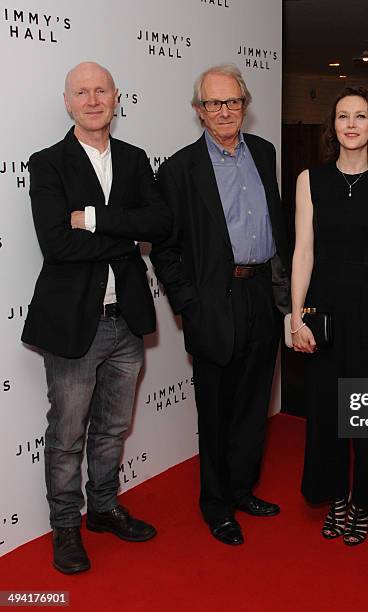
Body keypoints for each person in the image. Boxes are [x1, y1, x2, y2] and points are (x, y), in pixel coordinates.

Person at [22, 62, 171, 574]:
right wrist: (126, 237)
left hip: (125, 320)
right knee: (67, 434)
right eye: (81, 92)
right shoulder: (48, 163)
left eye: (100, 90)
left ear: (115, 97)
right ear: (68, 102)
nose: (92, 99)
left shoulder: (134, 159)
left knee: (112, 428)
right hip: (73, 324)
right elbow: (57, 244)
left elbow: (160, 222)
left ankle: (104, 509)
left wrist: (95, 219)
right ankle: (66, 525)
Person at [150, 64, 290, 546]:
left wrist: (285, 291)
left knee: (254, 403)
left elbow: (279, 226)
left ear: (245, 105)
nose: (224, 111)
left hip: (261, 295)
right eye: (213, 103)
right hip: (213, 299)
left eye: (232, 102)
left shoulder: (266, 153)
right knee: (215, 409)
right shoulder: (179, 168)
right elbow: (165, 248)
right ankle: (215, 505)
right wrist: (188, 303)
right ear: (199, 111)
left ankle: (242, 489)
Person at [291, 87, 368, 545]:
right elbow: (303, 251)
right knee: (326, 409)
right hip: (325, 306)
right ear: (333, 125)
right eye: (343, 115)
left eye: (360, 115)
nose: (351, 124)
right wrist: (297, 315)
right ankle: (336, 497)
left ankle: (365, 500)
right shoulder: (310, 180)